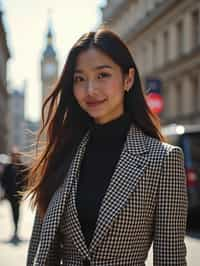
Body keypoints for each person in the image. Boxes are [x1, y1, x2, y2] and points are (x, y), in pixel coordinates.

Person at [26, 28, 188, 265]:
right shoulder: (61, 151)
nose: (90, 90)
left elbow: (170, 258)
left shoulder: (163, 160)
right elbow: (38, 246)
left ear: (128, 79)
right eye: (80, 79)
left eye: (102, 75)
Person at [2, 149, 27, 243]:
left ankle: (16, 229)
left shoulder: (22, 167)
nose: (14, 157)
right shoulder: (8, 167)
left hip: (18, 194)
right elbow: (3, 180)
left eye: (16, 155)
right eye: (13, 155)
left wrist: (24, 190)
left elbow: (26, 180)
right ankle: (15, 228)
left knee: (17, 212)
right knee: (13, 211)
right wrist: (6, 190)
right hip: (10, 195)